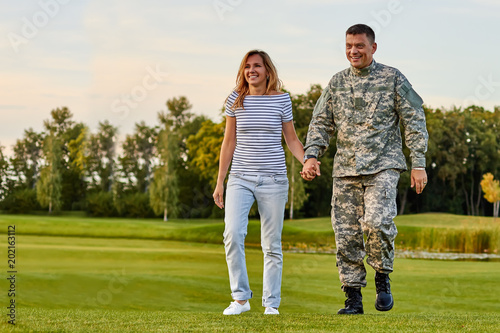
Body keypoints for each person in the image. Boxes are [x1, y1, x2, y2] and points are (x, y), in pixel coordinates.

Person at [301, 24, 428, 315]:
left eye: (359, 45)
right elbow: (321, 122)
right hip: (345, 169)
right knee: (346, 235)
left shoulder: (393, 78)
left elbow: (414, 119)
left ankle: (382, 277)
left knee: (377, 222)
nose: (353, 51)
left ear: (373, 47)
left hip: (383, 165)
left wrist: (418, 163)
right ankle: (353, 298)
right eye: (348, 46)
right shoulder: (336, 82)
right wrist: (311, 156)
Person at [213, 50, 318, 315]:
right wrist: (220, 181)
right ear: (243, 71)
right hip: (240, 178)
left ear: (267, 70)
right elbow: (229, 142)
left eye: (257, 66)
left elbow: (291, 139)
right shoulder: (235, 100)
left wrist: (307, 160)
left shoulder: (282, 99)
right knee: (232, 234)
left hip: (273, 180)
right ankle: (240, 299)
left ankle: (271, 304)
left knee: (271, 244)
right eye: (247, 67)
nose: (252, 70)